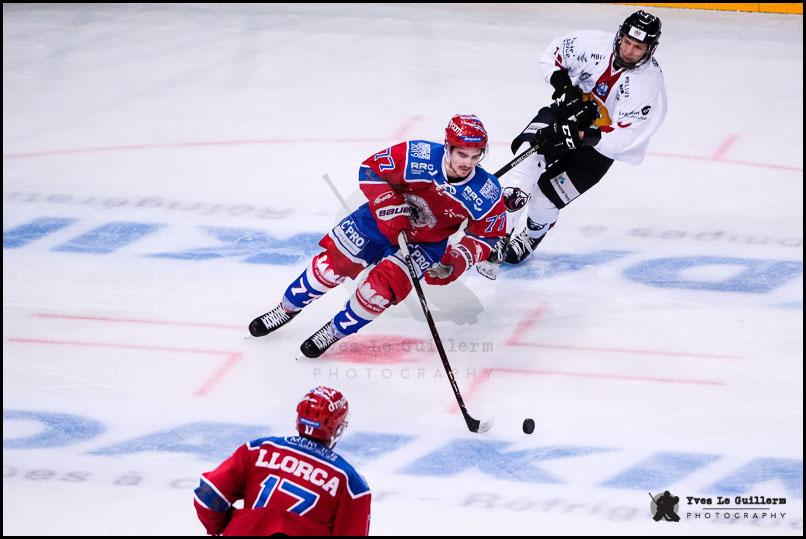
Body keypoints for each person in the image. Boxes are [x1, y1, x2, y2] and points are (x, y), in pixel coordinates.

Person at [249, 114, 506, 358]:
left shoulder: (487, 190)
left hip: (425, 244)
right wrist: (389, 205)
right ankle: (285, 309)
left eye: (476, 156)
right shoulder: (419, 155)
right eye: (462, 154)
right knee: (329, 268)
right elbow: (371, 169)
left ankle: (333, 331)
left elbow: (488, 235)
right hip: (378, 221)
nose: (468, 163)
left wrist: (458, 259)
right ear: (447, 146)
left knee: (378, 293)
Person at [487, 10, 667, 266]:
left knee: (544, 200)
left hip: (600, 147)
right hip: (564, 116)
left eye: (637, 47)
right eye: (626, 42)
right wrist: (565, 88)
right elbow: (551, 56)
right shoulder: (592, 45)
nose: (628, 51)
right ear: (619, 36)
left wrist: (582, 136)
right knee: (526, 163)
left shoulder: (647, 84)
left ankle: (531, 236)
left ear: (650, 49)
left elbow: (628, 136)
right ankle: (498, 236)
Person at [193, 386, 371, 536]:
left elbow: (208, 494)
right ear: (337, 428)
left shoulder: (259, 449)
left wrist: (230, 526)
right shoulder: (351, 483)